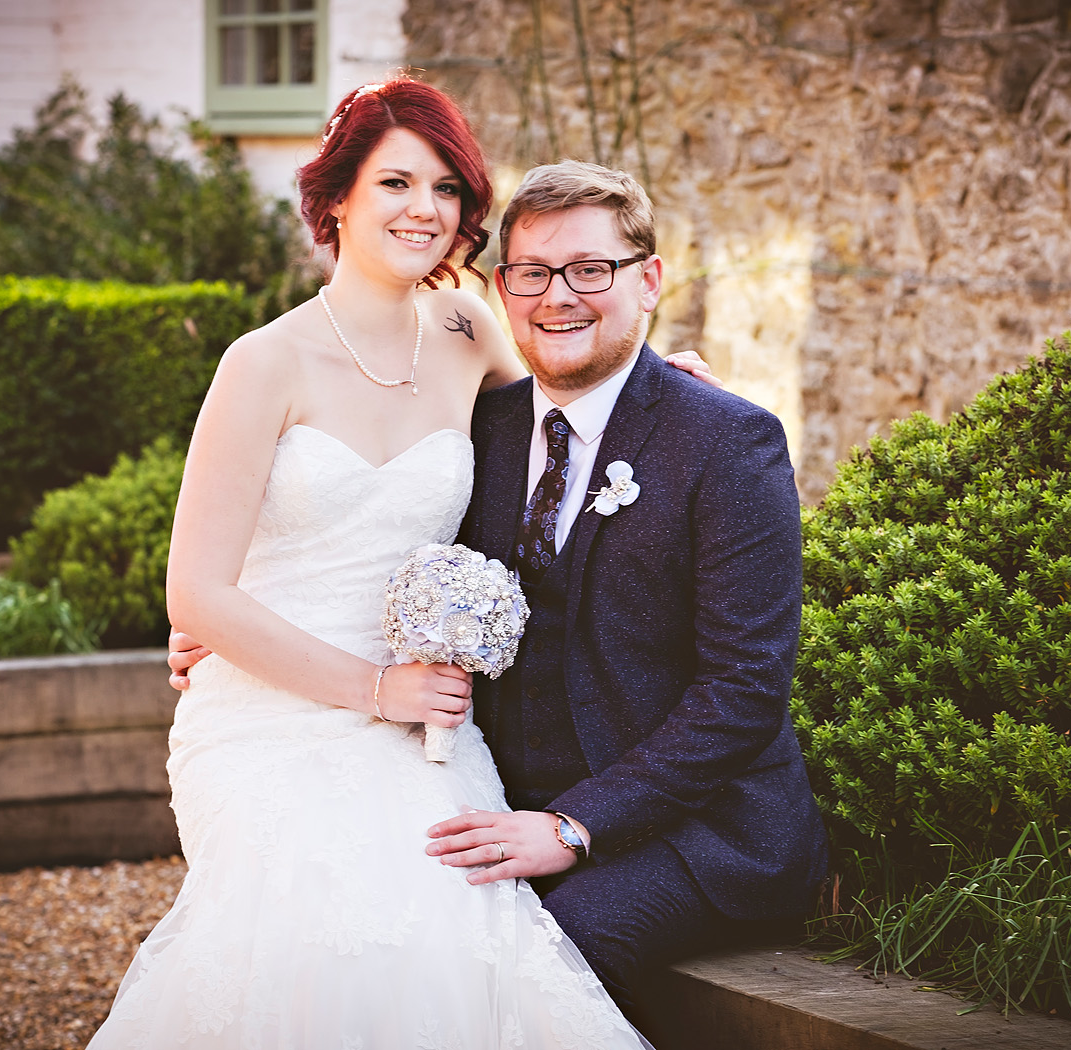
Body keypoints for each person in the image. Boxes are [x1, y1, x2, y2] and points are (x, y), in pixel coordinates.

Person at [88, 78, 711, 1049]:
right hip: (271, 707)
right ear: (336, 197)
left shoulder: (466, 331)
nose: (424, 209)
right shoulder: (263, 363)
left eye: (445, 187)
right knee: (318, 923)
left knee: (460, 913)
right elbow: (196, 591)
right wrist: (376, 687)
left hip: (428, 714)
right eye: (394, 182)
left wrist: (682, 392)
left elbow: (573, 403)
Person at [169, 155, 828, 1030]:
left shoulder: (727, 444)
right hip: (499, 792)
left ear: (649, 280)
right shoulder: (488, 427)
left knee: (519, 957)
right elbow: (379, 536)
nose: (558, 296)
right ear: (501, 290)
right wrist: (236, 622)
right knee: (383, 926)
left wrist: (569, 829)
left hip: (703, 833)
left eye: (591, 270)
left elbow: (742, 695)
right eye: (532, 274)